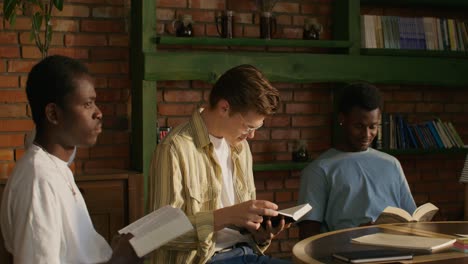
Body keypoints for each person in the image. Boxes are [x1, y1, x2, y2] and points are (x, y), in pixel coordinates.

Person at [0, 55, 143, 264]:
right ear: (53, 114)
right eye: (87, 104)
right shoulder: (38, 180)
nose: (99, 113)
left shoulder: (57, 168)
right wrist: (119, 260)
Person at [148, 64, 291, 264]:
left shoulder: (241, 149)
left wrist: (262, 234)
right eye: (248, 127)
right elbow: (159, 233)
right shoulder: (174, 148)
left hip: (247, 253)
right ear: (224, 108)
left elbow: (245, 231)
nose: (251, 136)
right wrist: (225, 216)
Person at [297, 82, 417, 239]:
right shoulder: (319, 170)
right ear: (342, 119)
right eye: (359, 126)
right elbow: (307, 238)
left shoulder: (392, 164)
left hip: (397, 251)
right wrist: (353, 236)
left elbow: (411, 218)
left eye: (373, 126)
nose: (367, 134)